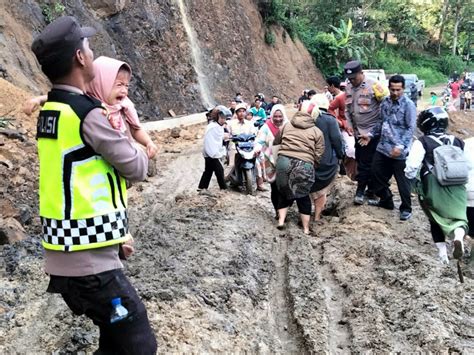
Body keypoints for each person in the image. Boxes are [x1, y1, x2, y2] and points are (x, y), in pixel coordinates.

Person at [31, 16, 157, 353]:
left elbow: (79, 178)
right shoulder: (88, 114)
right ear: (80, 58)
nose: (91, 49)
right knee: (139, 342)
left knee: (116, 340)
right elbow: (136, 167)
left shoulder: (53, 110)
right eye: (87, 45)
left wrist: (116, 240)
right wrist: (140, 144)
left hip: (70, 250)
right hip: (88, 264)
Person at [25, 56, 158, 160]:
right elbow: (63, 97)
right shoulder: (87, 101)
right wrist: (39, 99)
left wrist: (148, 143)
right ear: (101, 82)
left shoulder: (124, 105)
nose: (124, 91)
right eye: (118, 85)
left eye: (126, 85)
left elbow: (136, 129)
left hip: (122, 155)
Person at [405, 107, 468, 264]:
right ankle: (458, 237)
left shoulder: (423, 142)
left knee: (435, 218)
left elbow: (412, 166)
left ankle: (442, 255)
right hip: (458, 186)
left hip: (434, 185)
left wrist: (411, 180)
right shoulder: (458, 141)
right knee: (460, 218)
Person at [274, 100, 325, 234]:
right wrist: (313, 164)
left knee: (283, 193)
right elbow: (319, 153)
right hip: (304, 165)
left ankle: (281, 221)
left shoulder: (286, 126)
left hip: (283, 162)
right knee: (303, 196)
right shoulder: (317, 132)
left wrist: (276, 162)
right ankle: (306, 228)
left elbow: (276, 142)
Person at [371, 75, 416, 221]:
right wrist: (370, 134)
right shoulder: (385, 102)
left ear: (403, 89)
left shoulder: (408, 105)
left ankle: (406, 208)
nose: (395, 93)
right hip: (383, 146)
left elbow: (411, 128)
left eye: (398, 90)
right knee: (376, 174)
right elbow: (381, 122)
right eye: (392, 89)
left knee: (402, 182)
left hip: (399, 151)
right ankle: (386, 200)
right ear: (388, 88)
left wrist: (401, 146)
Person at [344, 60, 388, 205]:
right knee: (362, 161)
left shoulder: (375, 85)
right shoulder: (349, 87)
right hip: (358, 133)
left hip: (373, 133)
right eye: (349, 79)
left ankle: (365, 191)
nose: (352, 81)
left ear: (361, 73)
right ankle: (365, 190)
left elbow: (386, 109)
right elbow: (347, 109)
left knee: (371, 164)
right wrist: (349, 124)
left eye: (354, 78)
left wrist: (375, 132)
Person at [309, 94, 344, 221]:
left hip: (307, 160)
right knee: (322, 190)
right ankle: (317, 216)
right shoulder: (330, 120)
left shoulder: (307, 118)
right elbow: (337, 141)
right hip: (325, 162)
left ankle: (305, 215)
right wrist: (341, 156)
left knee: (308, 188)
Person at [253, 104, 288, 217]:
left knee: (285, 187)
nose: (278, 119)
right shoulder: (266, 127)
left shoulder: (288, 126)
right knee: (274, 187)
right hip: (270, 161)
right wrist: (257, 149)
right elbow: (259, 141)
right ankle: (278, 210)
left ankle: (284, 208)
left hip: (285, 160)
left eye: (280, 116)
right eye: (275, 116)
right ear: (272, 115)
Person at [198, 106, 230, 192]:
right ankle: (223, 188)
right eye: (222, 117)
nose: (224, 120)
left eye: (225, 118)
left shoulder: (217, 126)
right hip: (211, 153)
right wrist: (214, 153)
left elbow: (218, 138)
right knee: (219, 170)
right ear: (217, 116)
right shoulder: (213, 127)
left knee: (208, 170)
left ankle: (202, 187)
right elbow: (211, 141)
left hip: (211, 152)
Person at [226, 102, 255, 180]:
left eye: (243, 111)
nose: (241, 113)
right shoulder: (231, 124)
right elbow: (227, 134)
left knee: (258, 161)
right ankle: (223, 180)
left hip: (248, 147)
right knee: (231, 164)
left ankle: (260, 182)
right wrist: (228, 136)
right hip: (234, 146)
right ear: (236, 113)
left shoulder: (250, 124)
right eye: (239, 111)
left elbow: (254, 134)